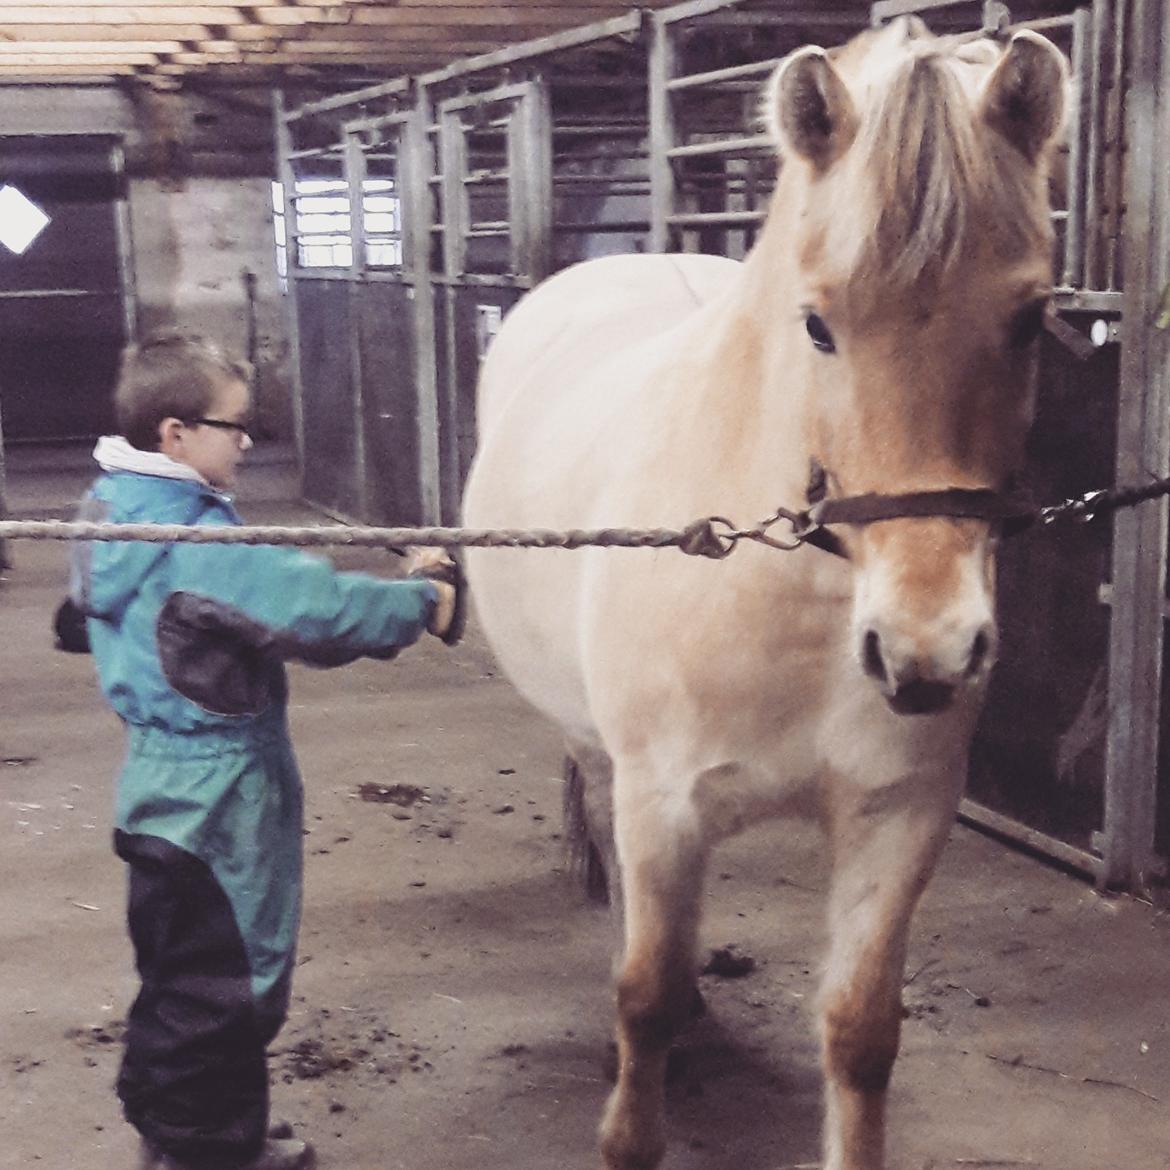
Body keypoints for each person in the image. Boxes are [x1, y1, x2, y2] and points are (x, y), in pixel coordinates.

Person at [70, 330, 463, 1170]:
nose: (248, 440)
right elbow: (311, 609)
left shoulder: (110, 503)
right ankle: (206, 1151)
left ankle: (200, 1132)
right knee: (232, 985)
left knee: (182, 971)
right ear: (174, 434)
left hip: (156, 785)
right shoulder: (192, 544)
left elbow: (84, 610)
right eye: (234, 424)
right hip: (219, 797)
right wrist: (422, 597)